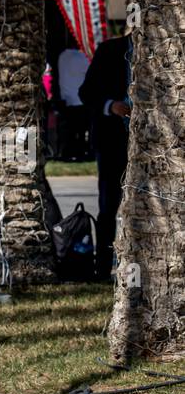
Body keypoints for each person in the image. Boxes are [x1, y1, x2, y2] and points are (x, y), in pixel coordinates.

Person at [79, 33, 132, 278]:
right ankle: (102, 268)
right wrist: (110, 105)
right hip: (113, 142)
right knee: (109, 206)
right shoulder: (110, 50)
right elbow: (86, 92)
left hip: (152, 145)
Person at [56, 45, 92, 161]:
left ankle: (68, 152)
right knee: (81, 131)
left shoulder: (62, 56)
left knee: (70, 130)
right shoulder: (82, 57)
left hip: (67, 100)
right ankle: (81, 153)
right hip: (80, 101)